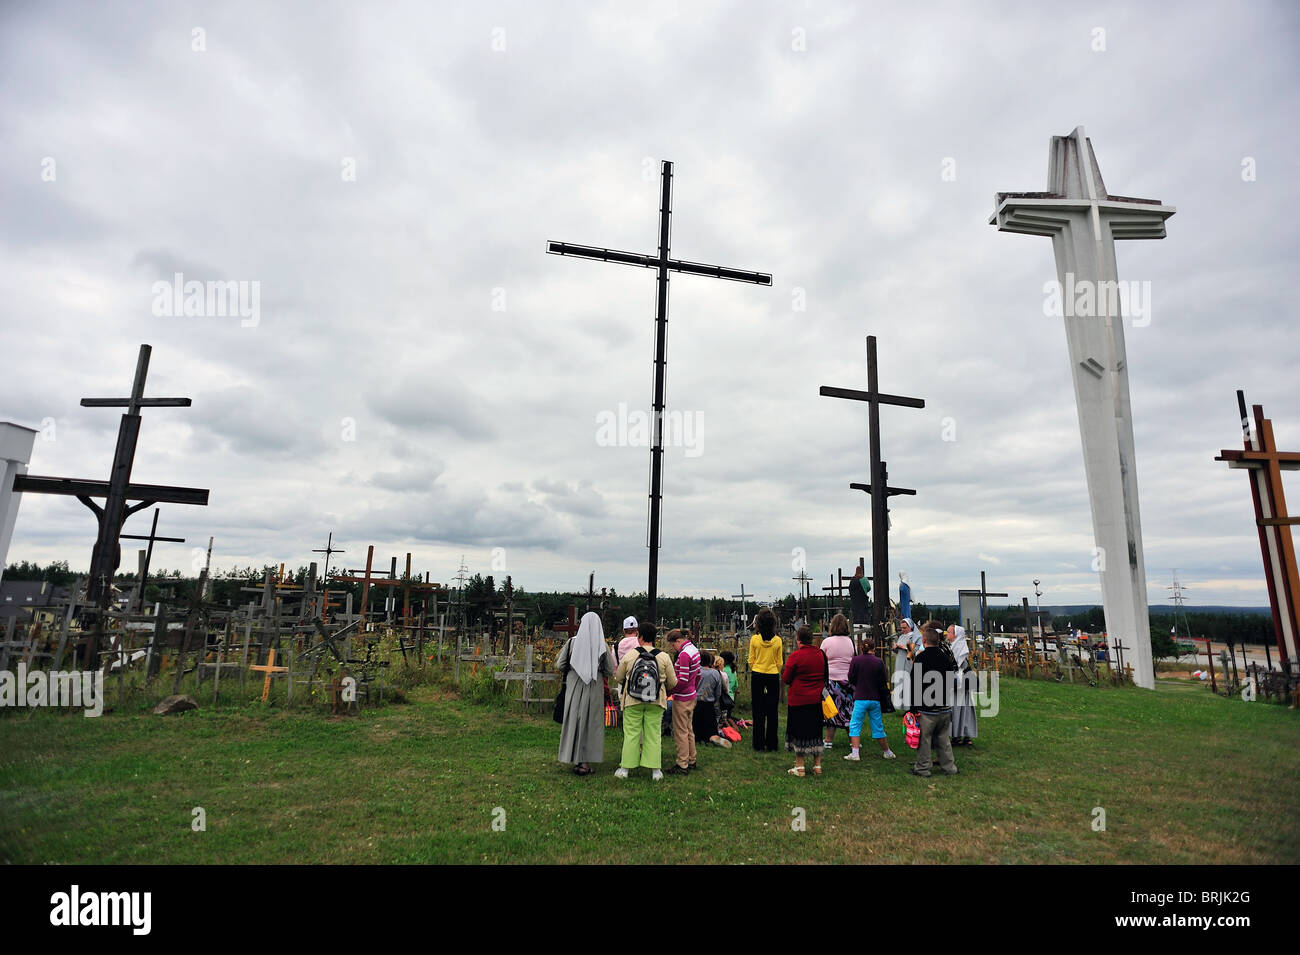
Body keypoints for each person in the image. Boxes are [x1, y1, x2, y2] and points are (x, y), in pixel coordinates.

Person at [612, 621, 677, 780]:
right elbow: (673, 682)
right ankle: (655, 771)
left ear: (639, 637)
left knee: (632, 733)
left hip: (633, 701)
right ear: (654, 637)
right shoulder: (663, 657)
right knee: (653, 734)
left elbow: (619, 677)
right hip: (656, 701)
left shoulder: (630, 655)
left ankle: (625, 769)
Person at [556, 611, 615, 776]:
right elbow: (609, 669)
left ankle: (573, 757)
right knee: (590, 722)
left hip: (574, 685)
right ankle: (584, 762)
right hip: (593, 687)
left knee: (574, 720)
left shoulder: (571, 643)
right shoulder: (601, 645)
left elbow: (560, 664)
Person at [908, 623, 958, 778]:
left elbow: (915, 684)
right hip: (944, 706)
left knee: (925, 739)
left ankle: (923, 768)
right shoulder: (945, 658)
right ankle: (949, 767)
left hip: (926, 708)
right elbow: (951, 682)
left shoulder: (921, 658)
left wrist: (913, 708)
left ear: (924, 641)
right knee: (944, 739)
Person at [781, 625, 827, 776]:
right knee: (815, 732)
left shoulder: (796, 656)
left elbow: (786, 678)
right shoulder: (821, 654)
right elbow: (826, 676)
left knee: (799, 733)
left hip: (798, 700)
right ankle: (817, 766)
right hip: (815, 699)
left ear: (798, 639)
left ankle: (800, 766)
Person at [844, 637, 896, 760]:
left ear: (861, 648)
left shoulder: (856, 660)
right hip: (875, 698)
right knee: (878, 726)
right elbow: (883, 680)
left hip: (860, 697)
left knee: (855, 725)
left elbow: (851, 678)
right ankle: (887, 751)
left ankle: (855, 753)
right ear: (874, 648)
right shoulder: (879, 662)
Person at [666, 629, 701, 775]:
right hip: (692, 695)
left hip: (682, 697)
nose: (673, 648)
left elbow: (683, 679)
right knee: (688, 729)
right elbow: (698, 675)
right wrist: (694, 689)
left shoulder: (685, 655)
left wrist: (670, 691)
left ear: (678, 641)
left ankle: (682, 763)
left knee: (680, 731)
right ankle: (692, 759)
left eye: (672, 645)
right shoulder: (694, 650)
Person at [748, 608, 784, 752]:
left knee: (757, 710)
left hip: (757, 673)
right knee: (772, 710)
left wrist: (757, 667)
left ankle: (758, 743)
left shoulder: (755, 639)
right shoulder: (777, 641)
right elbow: (779, 662)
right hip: (772, 675)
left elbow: (751, 660)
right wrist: (773, 669)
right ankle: (772, 744)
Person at [821, 613, 855, 749]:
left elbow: (821, 659)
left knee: (831, 711)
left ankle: (828, 740)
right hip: (847, 680)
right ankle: (853, 740)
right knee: (848, 711)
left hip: (831, 681)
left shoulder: (827, 642)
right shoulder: (850, 641)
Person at [946, 625, 978, 746]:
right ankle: (959, 735)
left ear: (956, 634)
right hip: (958, 680)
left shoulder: (959, 647)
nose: (947, 634)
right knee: (959, 708)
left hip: (960, 681)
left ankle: (960, 735)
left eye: (949, 632)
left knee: (959, 708)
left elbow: (956, 664)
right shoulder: (953, 646)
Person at [694, 651, 732, 748]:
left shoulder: (696, 671)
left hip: (695, 703)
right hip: (709, 704)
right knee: (710, 727)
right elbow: (718, 692)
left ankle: (698, 737)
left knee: (695, 726)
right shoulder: (715, 673)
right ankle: (713, 737)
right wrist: (715, 700)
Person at [891, 617, 920, 712]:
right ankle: (901, 705)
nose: (903, 630)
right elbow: (896, 651)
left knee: (908, 684)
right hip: (900, 661)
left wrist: (905, 647)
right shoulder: (901, 637)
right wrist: (895, 647)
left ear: (910, 627)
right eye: (902, 628)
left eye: (905, 628)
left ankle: (909, 707)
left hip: (908, 663)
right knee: (900, 683)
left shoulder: (914, 637)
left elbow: (915, 651)